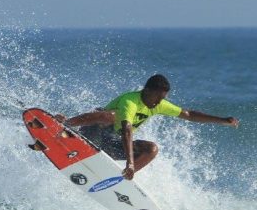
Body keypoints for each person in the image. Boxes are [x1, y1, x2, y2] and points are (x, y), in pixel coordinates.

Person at [55, 74, 239, 180]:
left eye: (163, 98)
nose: (160, 102)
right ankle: (66, 124)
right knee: (109, 116)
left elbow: (189, 114)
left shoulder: (158, 104)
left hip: (110, 144)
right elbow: (127, 130)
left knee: (151, 149)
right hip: (91, 134)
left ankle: (121, 179)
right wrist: (130, 161)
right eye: (158, 97)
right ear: (147, 91)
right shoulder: (130, 101)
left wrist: (222, 120)